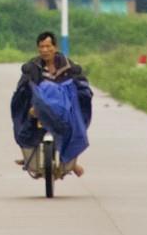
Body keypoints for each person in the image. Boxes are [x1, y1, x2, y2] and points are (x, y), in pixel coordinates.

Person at [10, 31, 93, 176]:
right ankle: (29, 155)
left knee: (76, 124)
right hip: (40, 110)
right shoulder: (33, 67)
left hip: (63, 111)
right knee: (25, 123)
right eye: (41, 47)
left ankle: (71, 162)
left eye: (48, 46)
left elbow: (80, 85)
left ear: (55, 47)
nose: (45, 50)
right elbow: (23, 89)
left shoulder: (67, 66)